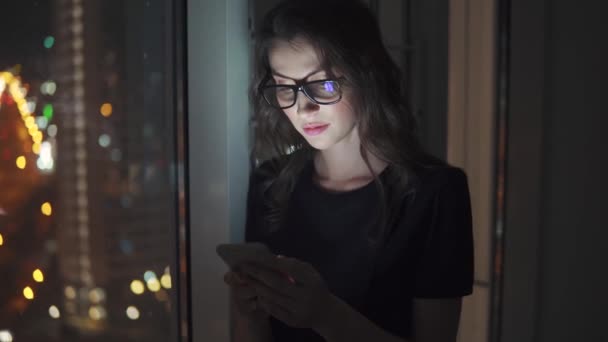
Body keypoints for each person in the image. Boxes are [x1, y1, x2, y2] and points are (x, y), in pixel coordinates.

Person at [223, 0, 474, 341]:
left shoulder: (434, 193)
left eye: (323, 85)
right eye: (285, 87)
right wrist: (248, 314)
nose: (303, 107)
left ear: (366, 75)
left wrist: (326, 315)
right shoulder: (270, 184)